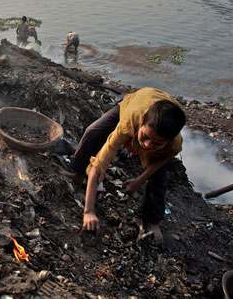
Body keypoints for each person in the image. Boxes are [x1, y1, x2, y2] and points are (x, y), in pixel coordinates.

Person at [68, 87, 186, 245]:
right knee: (93, 132)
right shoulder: (129, 122)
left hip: (161, 109)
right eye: (144, 137)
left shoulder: (173, 143)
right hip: (134, 102)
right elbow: (99, 164)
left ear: (168, 141)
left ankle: (152, 221)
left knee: (159, 177)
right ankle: (78, 172)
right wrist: (88, 211)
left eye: (157, 143)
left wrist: (139, 180)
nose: (146, 145)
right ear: (142, 121)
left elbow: (163, 159)